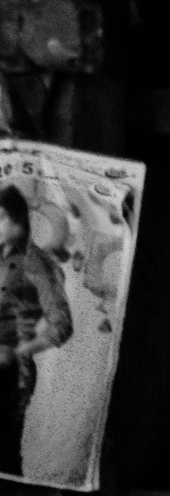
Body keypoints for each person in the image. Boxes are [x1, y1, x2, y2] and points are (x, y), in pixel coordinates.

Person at [0, 183, 73, 479]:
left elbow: (61, 325)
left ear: (15, 220)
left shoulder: (36, 264)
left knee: (3, 457)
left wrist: (20, 351)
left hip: (8, 375)